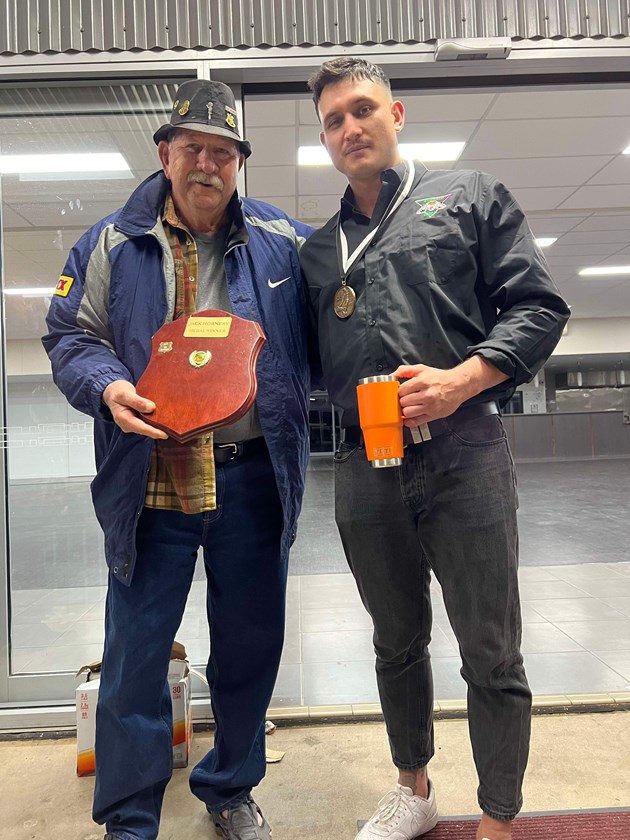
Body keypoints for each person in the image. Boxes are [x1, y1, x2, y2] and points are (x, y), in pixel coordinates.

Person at [300, 58, 570, 840]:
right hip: (365, 468)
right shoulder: (319, 254)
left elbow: (539, 306)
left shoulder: (469, 199)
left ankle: (497, 815)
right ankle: (413, 788)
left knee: (489, 645)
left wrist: (461, 381)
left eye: (362, 110)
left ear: (397, 114)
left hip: (466, 454)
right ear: (325, 138)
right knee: (394, 641)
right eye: (334, 120)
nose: (350, 128)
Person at [43, 79, 312, 840]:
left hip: (253, 478)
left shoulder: (283, 240)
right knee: (134, 658)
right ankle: (130, 816)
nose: (207, 164)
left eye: (223, 152)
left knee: (250, 646)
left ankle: (229, 788)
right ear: (165, 154)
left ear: (238, 165)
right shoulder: (107, 243)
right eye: (192, 147)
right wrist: (108, 385)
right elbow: (70, 336)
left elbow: (332, 326)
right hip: (150, 479)